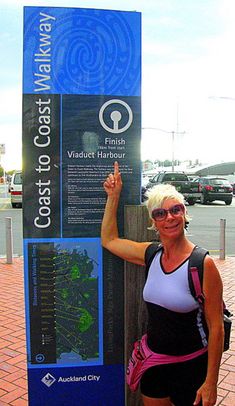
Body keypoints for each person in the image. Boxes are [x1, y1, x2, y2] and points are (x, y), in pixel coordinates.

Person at [101, 162, 224, 406]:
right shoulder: (151, 254)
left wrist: (211, 382)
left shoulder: (202, 264)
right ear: (154, 222)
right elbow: (109, 239)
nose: (169, 217)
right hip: (155, 363)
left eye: (175, 210)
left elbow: (216, 327)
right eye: (160, 213)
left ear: (184, 214)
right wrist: (113, 196)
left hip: (192, 367)